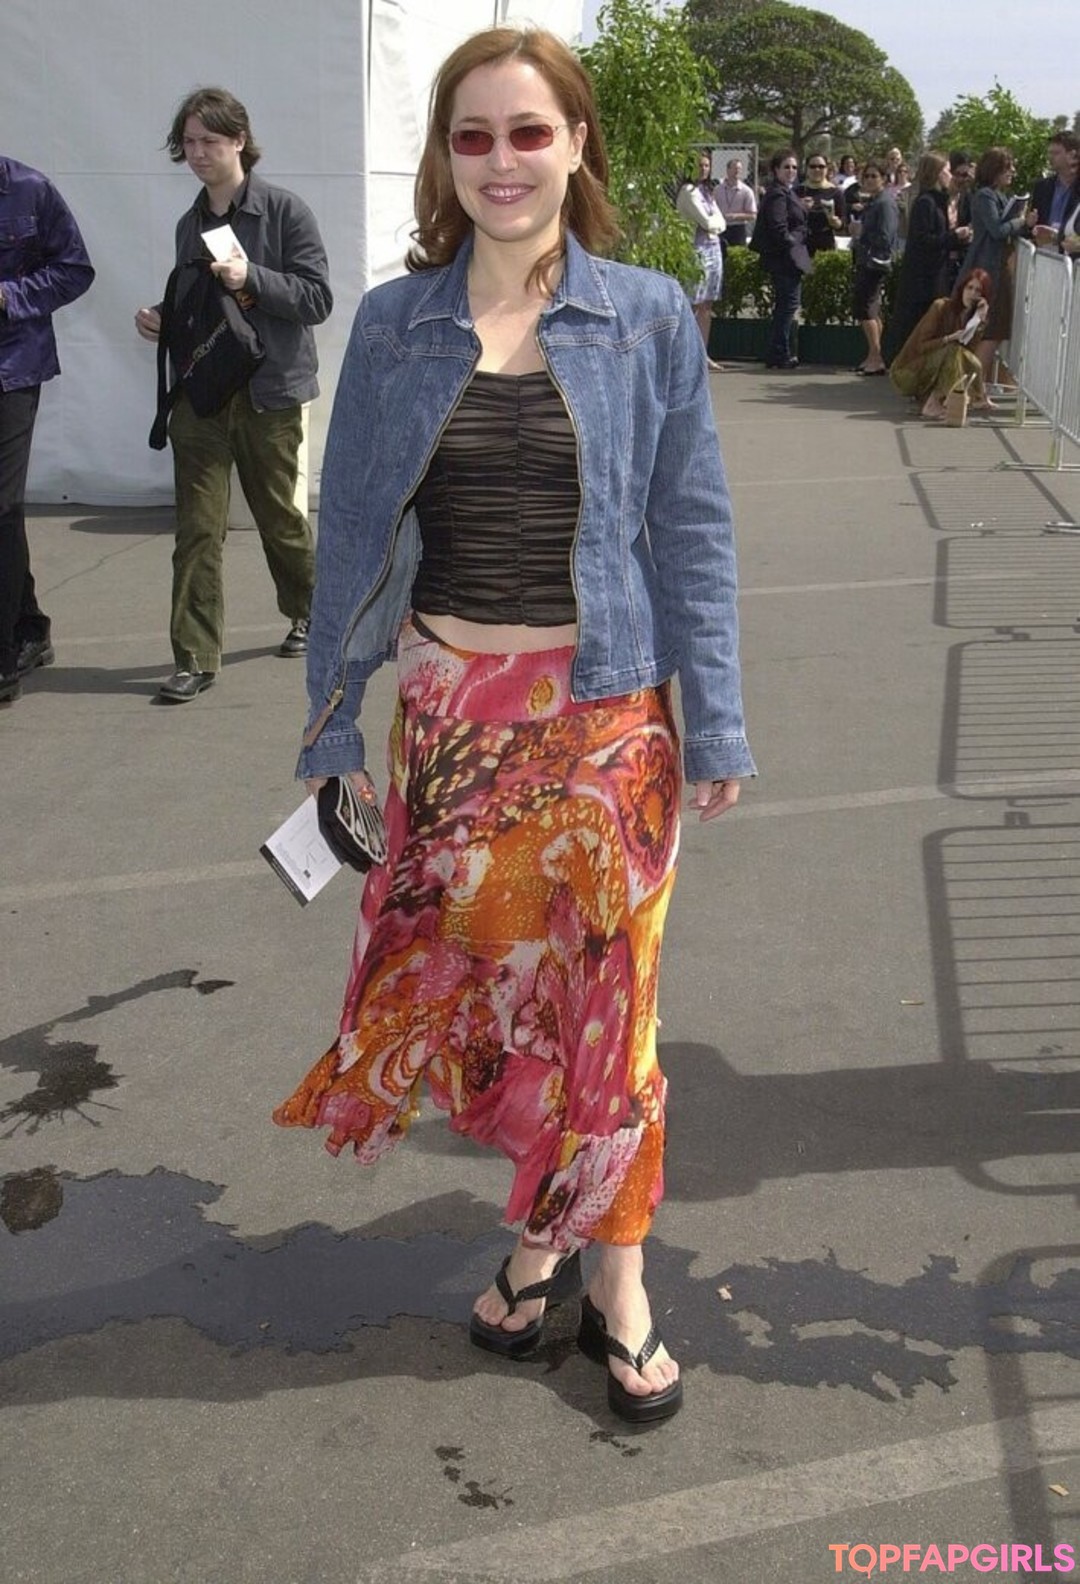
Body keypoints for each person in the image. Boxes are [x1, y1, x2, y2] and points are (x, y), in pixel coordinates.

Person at [272, 24, 755, 1427]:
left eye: (529, 131)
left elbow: (693, 530)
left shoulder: (648, 317)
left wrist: (717, 723)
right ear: (445, 154)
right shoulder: (394, 324)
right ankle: (544, 1246)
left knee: (610, 1021)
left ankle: (619, 1284)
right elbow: (352, 533)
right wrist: (331, 721)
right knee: (499, 1015)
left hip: (603, 730)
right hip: (448, 731)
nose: (502, 160)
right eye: (473, 134)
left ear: (577, 143)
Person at [134, 87, 332, 703]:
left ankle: (310, 613)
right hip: (203, 398)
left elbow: (317, 299)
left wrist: (254, 278)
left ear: (239, 141)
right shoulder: (189, 224)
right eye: (188, 142)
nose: (197, 153)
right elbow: (199, 306)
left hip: (271, 393)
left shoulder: (284, 212)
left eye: (209, 141)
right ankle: (194, 658)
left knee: (280, 520)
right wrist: (163, 316)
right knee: (196, 530)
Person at [0, 156, 94, 705]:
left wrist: (8, 296)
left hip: (13, 369)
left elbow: (75, 269)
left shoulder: (30, 190)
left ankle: (4, 661)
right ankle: (29, 626)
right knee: (5, 511)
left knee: (2, 506)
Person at [882, 152, 971, 367]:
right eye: (947, 170)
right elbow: (923, 240)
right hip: (922, 278)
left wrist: (961, 239)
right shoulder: (925, 202)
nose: (950, 174)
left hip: (935, 273)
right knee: (918, 324)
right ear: (936, 173)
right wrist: (954, 236)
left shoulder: (939, 200)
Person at [960, 147, 1037, 385]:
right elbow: (997, 230)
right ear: (995, 169)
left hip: (999, 268)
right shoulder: (985, 196)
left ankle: (978, 387)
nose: (1012, 171)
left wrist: (1026, 224)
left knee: (995, 329)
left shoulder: (998, 195)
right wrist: (1020, 221)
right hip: (988, 270)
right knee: (991, 329)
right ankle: (972, 387)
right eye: (1008, 167)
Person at [889, 267, 996, 420]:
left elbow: (968, 353)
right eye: (969, 288)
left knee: (964, 356)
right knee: (953, 350)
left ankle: (969, 397)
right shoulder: (941, 306)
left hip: (934, 370)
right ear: (962, 288)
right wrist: (948, 338)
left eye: (978, 291)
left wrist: (980, 321)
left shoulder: (972, 318)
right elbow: (921, 346)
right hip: (907, 372)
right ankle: (936, 403)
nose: (972, 294)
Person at [753, 148, 811, 369]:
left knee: (786, 305)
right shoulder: (777, 193)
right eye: (786, 167)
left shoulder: (787, 191)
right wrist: (795, 244)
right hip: (784, 260)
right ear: (776, 169)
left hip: (788, 258)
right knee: (787, 306)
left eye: (794, 167)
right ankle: (779, 353)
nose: (791, 171)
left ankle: (777, 351)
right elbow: (779, 229)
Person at [676, 148, 726, 369]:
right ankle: (685, 355)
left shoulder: (707, 191)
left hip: (713, 249)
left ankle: (703, 354)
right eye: (699, 165)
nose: (703, 169)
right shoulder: (688, 191)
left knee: (707, 304)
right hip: (696, 251)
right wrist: (715, 224)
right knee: (693, 302)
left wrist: (716, 224)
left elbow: (720, 222)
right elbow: (707, 222)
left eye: (706, 165)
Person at [850, 162, 897, 376]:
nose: (869, 180)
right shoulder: (874, 201)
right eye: (866, 176)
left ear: (884, 179)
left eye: (873, 176)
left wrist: (862, 234)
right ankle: (873, 355)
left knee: (865, 308)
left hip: (875, 262)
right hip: (867, 260)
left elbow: (885, 237)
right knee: (870, 308)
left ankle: (877, 357)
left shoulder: (884, 203)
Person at [796, 153, 845, 256]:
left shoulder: (836, 192)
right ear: (806, 169)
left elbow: (843, 224)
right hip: (802, 244)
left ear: (827, 169)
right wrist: (799, 208)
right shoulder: (797, 191)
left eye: (821, 166)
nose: (817, 170)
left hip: (825, 244)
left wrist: (836, 222)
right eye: (812, 166)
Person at [716, 156, 757, 249]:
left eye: (739, 169)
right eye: (734, 168)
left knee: (738, 255)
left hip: (738, 228)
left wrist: (735, 216)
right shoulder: (718, 190)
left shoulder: (747, 191)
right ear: (728, 170)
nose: (737, 171)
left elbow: (753, 215)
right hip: (721, 228)